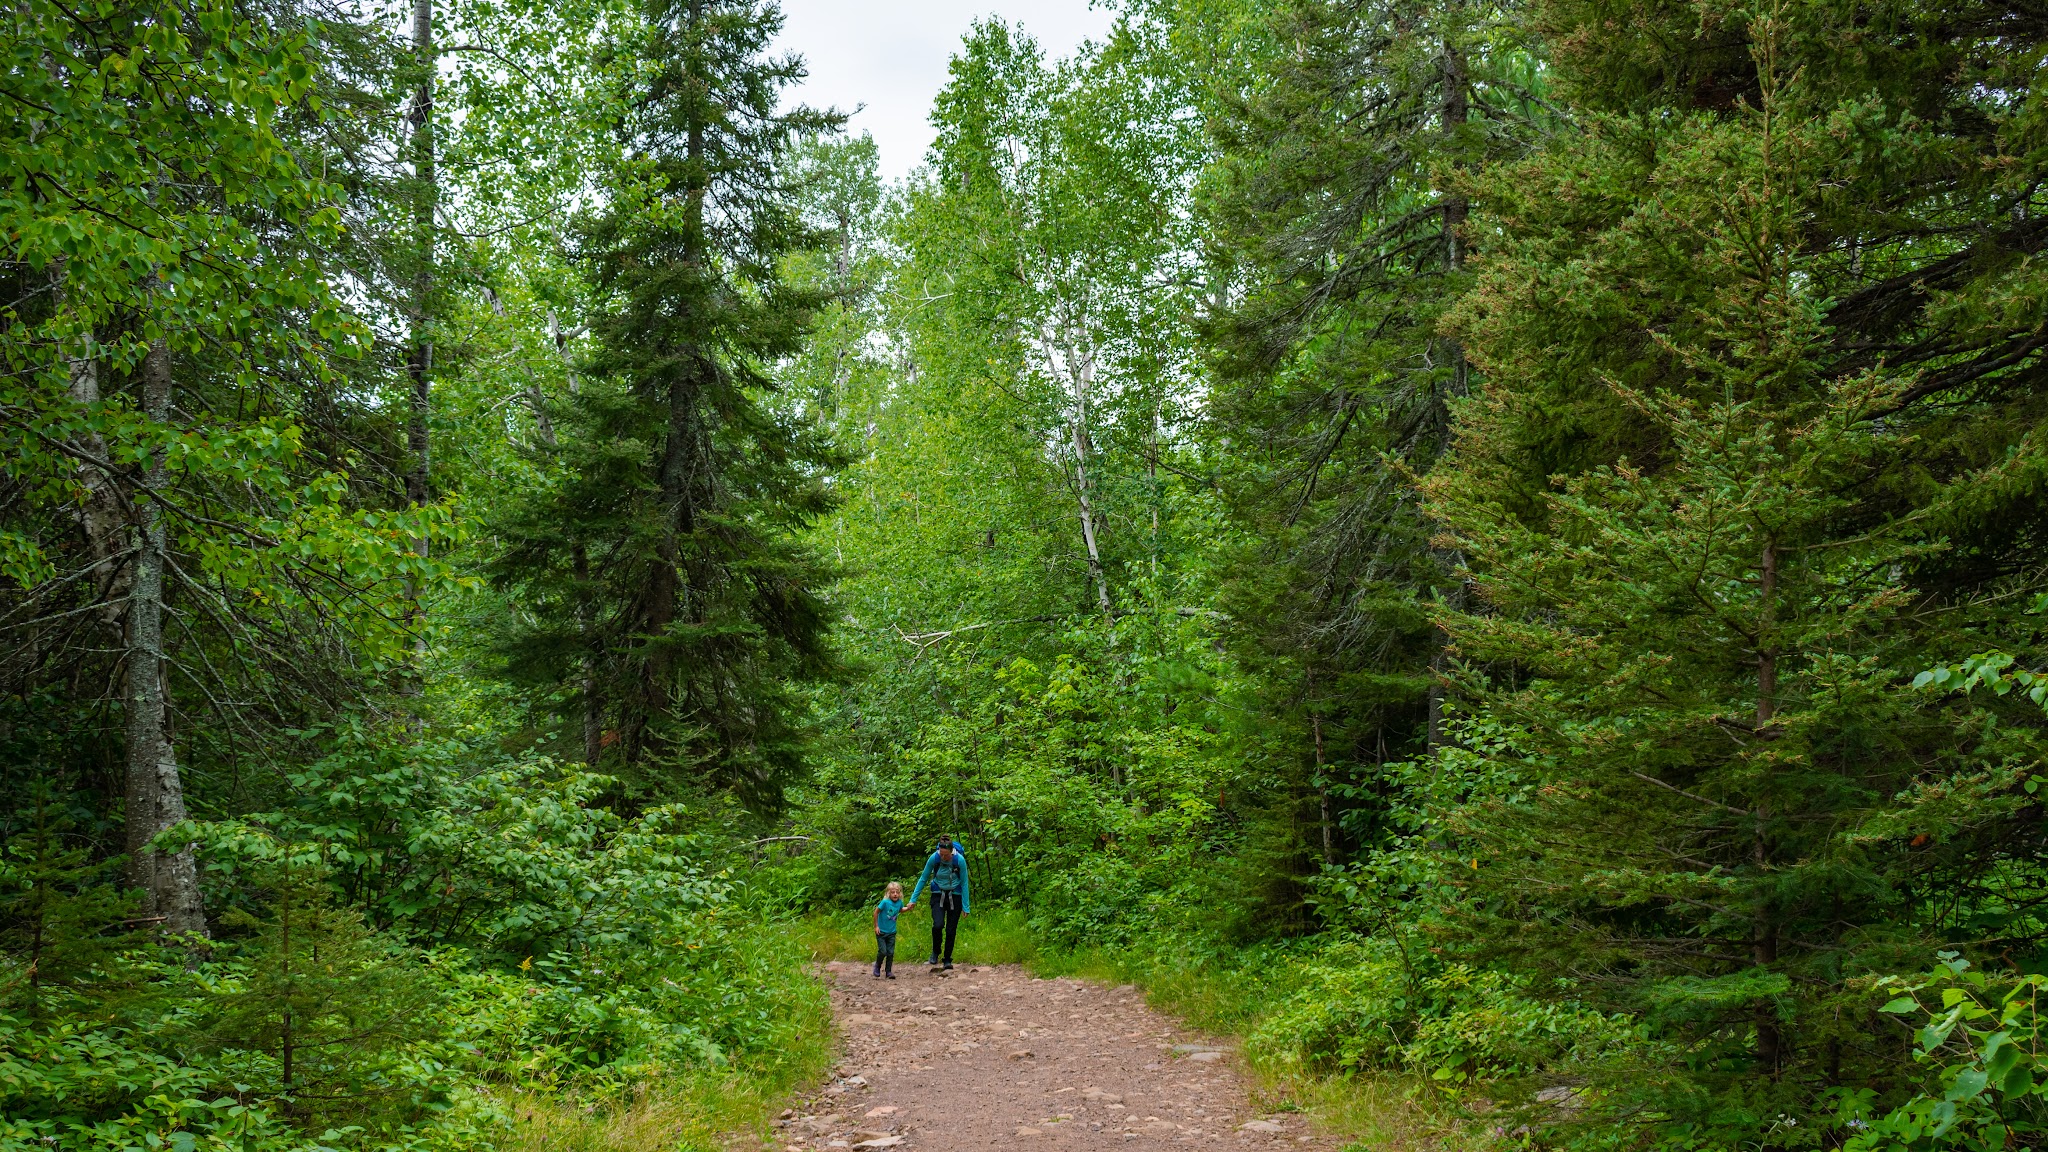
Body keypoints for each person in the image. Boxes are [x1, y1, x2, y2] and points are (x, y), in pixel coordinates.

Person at [906, 836, 969, 971]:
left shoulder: (960, 861)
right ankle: (935, 952)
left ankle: (947, 959)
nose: (943, 857)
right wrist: (913, 899)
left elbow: (964, 883)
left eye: (945, 855)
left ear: (951, 852)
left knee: (951, 929)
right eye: (941, 854)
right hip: (937, 894)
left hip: (955, 896)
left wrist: (966, 906)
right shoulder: (934, 858)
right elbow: (923, 878)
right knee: (938, 925)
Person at [872, 881, 904, 979]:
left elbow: (901, 910)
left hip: (891, 932)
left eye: (897, 892)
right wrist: (876, 926)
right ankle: (877, 966)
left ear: (900, 894)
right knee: (883, 951)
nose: (895, 894)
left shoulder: (899, 903)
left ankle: (888, 971)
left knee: (890, 952)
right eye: (893, 892)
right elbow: (876, 913)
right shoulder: (885, 902)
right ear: (888, 893)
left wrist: (909, 907)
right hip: (881, 932)